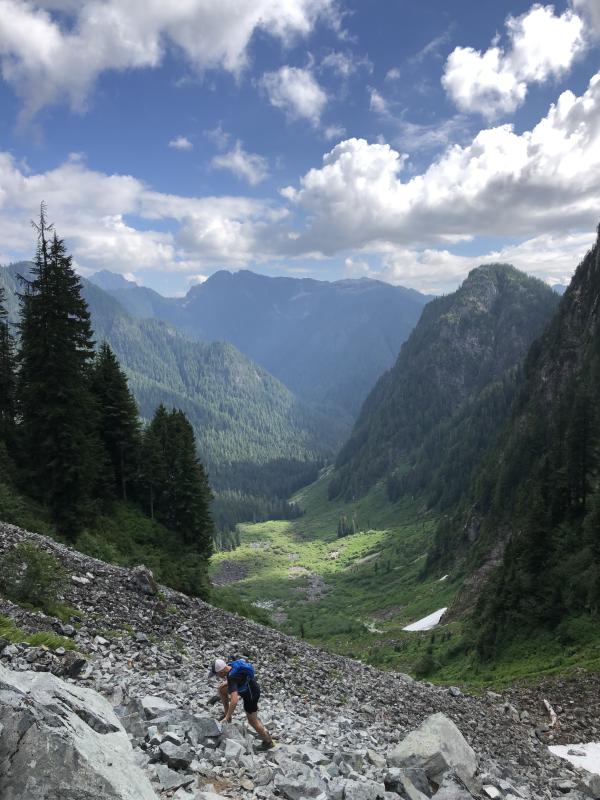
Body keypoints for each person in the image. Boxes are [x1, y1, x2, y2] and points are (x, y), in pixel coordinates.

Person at [209, 657, 275, 749]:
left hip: (251, 695)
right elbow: (238, 677)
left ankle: (268, 741)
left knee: (252, 721)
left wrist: (228, 715)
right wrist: (226, 683)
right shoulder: (231, 666)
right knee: (221, 689)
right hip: (247, 687)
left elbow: (234, 700)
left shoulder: (232, 677)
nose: (217, 676)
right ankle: (227, 717)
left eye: (217, 674)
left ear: (221, 672)